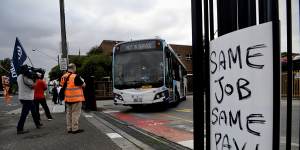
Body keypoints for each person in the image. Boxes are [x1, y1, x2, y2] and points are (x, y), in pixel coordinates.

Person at [16, 65, 43, 134]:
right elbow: (33, 85)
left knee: (33, 111)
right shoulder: (25, 78)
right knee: (24, 113)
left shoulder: (19, 76)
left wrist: (33, 76)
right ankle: (20, 128)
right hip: (27, 98)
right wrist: (36, 79)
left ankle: (37, 124)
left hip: (23, 97)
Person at [60, 63, 86, 134]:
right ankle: (75, 129)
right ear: (74, 68)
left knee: (68, 114)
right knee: (75, 113)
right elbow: (83, 85)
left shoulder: (63, 76)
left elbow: (62, 86)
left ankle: (69, 128)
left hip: (67, 98)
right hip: (76, 98)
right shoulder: (76, 76)